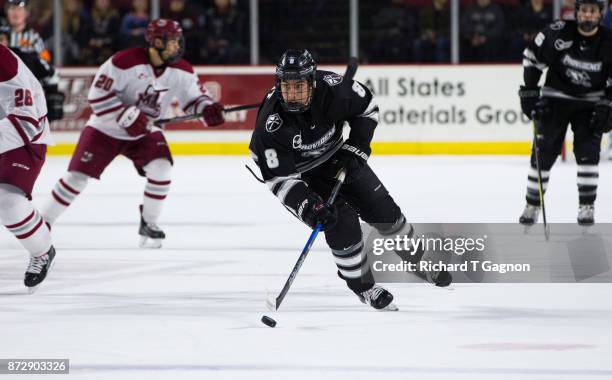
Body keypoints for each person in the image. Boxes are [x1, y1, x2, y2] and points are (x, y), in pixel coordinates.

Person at [249, 50, 451, 311]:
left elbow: (367, 109)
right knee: (341, 223)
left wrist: (356, 146)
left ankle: (420, 260)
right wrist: (309, 207)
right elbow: (280, 180)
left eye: (299, 86)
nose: (293, 94)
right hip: (303, 175)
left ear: (312, 82)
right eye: (287, 87)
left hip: (339, 157)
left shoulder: (333, 90)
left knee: (384, 212)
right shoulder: (270, 125)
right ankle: (363, 287)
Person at [40, 19, 225, 248]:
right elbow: (97, 96)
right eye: (172, 42)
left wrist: (207, 108)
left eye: (178, 41)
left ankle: (149, 222)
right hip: (104, 128)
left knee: (161, 168)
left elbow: (195, 98)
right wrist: (126, 114)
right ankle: (43, 222)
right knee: (77, 177)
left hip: (144, 130)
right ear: (156, 42)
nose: (177, 46)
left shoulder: (182, 70)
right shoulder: (123, 61)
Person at [518, 0, 612, 226]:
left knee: (589, 154)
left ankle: (586, 206)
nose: (588, 16)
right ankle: (532, 205)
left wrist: (608, 103)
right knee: (543, 153)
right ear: (576, 12)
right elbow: (531, 57)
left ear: (600, 14)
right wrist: (530, 89)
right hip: (555, 99)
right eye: (584, 10)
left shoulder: (609, 41)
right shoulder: (557, 32)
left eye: (593, 11)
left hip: (591, 104)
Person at [0, 44, 55, 292]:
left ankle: (42, 251)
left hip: (23, 139)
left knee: (7, 202)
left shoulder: (5, 64)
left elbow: (28, 121)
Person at [1, 0, 64, 122]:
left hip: (26, 94)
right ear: (7, 12)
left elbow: (46, 64)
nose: (16, 13)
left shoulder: (34, 38)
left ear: (26, 13)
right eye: (12, 9)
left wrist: (52, 90)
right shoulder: (1, 33)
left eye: (19, 9)